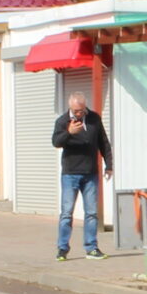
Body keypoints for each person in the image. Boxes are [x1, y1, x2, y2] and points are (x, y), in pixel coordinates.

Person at [51, 91, 112, 260]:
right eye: (76, 111)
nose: (79, 114)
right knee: (66, 213)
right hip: (70, 173)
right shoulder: (62, 121)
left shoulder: (94, 118)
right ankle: (62, 249)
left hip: (90, 173)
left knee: (91, 212)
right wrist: (68, 132)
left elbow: (103, 142)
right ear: (70, 107)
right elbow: (56, 142)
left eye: (82, 110)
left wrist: (109, 165)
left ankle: (91, 248)